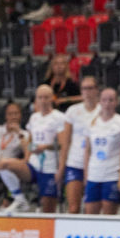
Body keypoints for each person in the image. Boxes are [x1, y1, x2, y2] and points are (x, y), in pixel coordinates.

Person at [83, 87, 120, 215]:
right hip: (94, 173)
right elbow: (87, 150)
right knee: (90, 213)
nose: (107, 104)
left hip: (112, 174)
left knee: (109, 214)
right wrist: (86, 174)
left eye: (111, 100)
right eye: (104, 100)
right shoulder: (91, 122)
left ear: (116, 102)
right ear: (99, 101)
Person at [59, 76, 101, 213]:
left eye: (90, 88)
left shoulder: (103, 109)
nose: (87, 92)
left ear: (96, 90)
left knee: (91, 209)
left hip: (96, 164)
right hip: (75, 162)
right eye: (84, 89)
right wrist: (61, 167)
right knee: (73, 207)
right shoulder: (72, 110)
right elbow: (65, 142)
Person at [25, 84, 67, 213]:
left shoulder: (59, 117)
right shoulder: (34, 117)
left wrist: (60, 169)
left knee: (48, 207)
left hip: (50, 166)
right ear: (36, 100)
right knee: (6, 165)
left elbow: (62, 144)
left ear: (52, 99)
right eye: (40, 98)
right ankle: (18, 197)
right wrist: (27, 157)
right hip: (34, 164)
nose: (43, 101)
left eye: (46, 97)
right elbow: (30, 141)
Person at [0, 100, 32, 213]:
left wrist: (18, 133)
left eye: (16, 113)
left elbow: (27, 155)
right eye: (10, 114)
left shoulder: (25, 134)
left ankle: (18, 200)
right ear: (6, 116)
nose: (13, 117)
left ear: (20, 115)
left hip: (8, 166)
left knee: (5, 168)